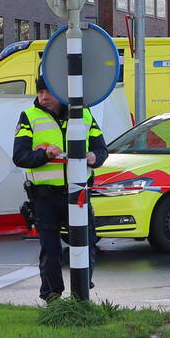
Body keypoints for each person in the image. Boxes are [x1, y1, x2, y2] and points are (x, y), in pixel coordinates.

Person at [11, 82, 108, 301]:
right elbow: (20, 156)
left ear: (61, 92)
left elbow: (102, 149)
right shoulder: (29, 116)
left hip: (78, 194)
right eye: (40, 92)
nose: (43, 97)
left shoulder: (83, 114)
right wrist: (44, 155)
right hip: (45, 196)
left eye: (48, 92)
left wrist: (95, 157)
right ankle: (52, 298)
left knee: (86, 243)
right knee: (51, 250)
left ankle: (81, 294)